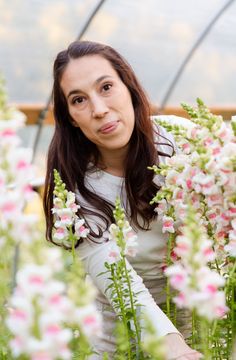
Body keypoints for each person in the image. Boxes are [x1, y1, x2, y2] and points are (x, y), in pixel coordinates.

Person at [43, 40, 202, 359]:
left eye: (106, 87)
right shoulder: (73, 191)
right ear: (72, 117)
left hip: (208, 332)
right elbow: (120, 282)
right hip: (121, 346)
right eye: (79, 100)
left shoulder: (182, 139)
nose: (99, 110)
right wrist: (172, 346)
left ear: (128, 86)